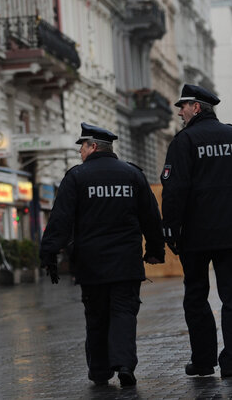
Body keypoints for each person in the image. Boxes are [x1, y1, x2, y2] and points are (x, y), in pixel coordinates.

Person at [39, 123, 164, 387]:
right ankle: (125, 364)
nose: (80, 153)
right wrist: (155, 250)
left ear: (93, 146)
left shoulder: (77, 177)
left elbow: (60, 219)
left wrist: (49, 253)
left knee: (96, 317)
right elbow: (151, 216)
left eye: (82, 147)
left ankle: (99, 371)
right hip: (126, 262)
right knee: (124, 313)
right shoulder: (133, 175)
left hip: (92, 264)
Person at [161, 84, 232, 379]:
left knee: (196, 296)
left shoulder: (185, 141)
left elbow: (174, 189)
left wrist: (171, 229)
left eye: (183, 106)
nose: (180, 112)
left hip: (196, 236)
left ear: (196, 107)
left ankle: (204, 360)